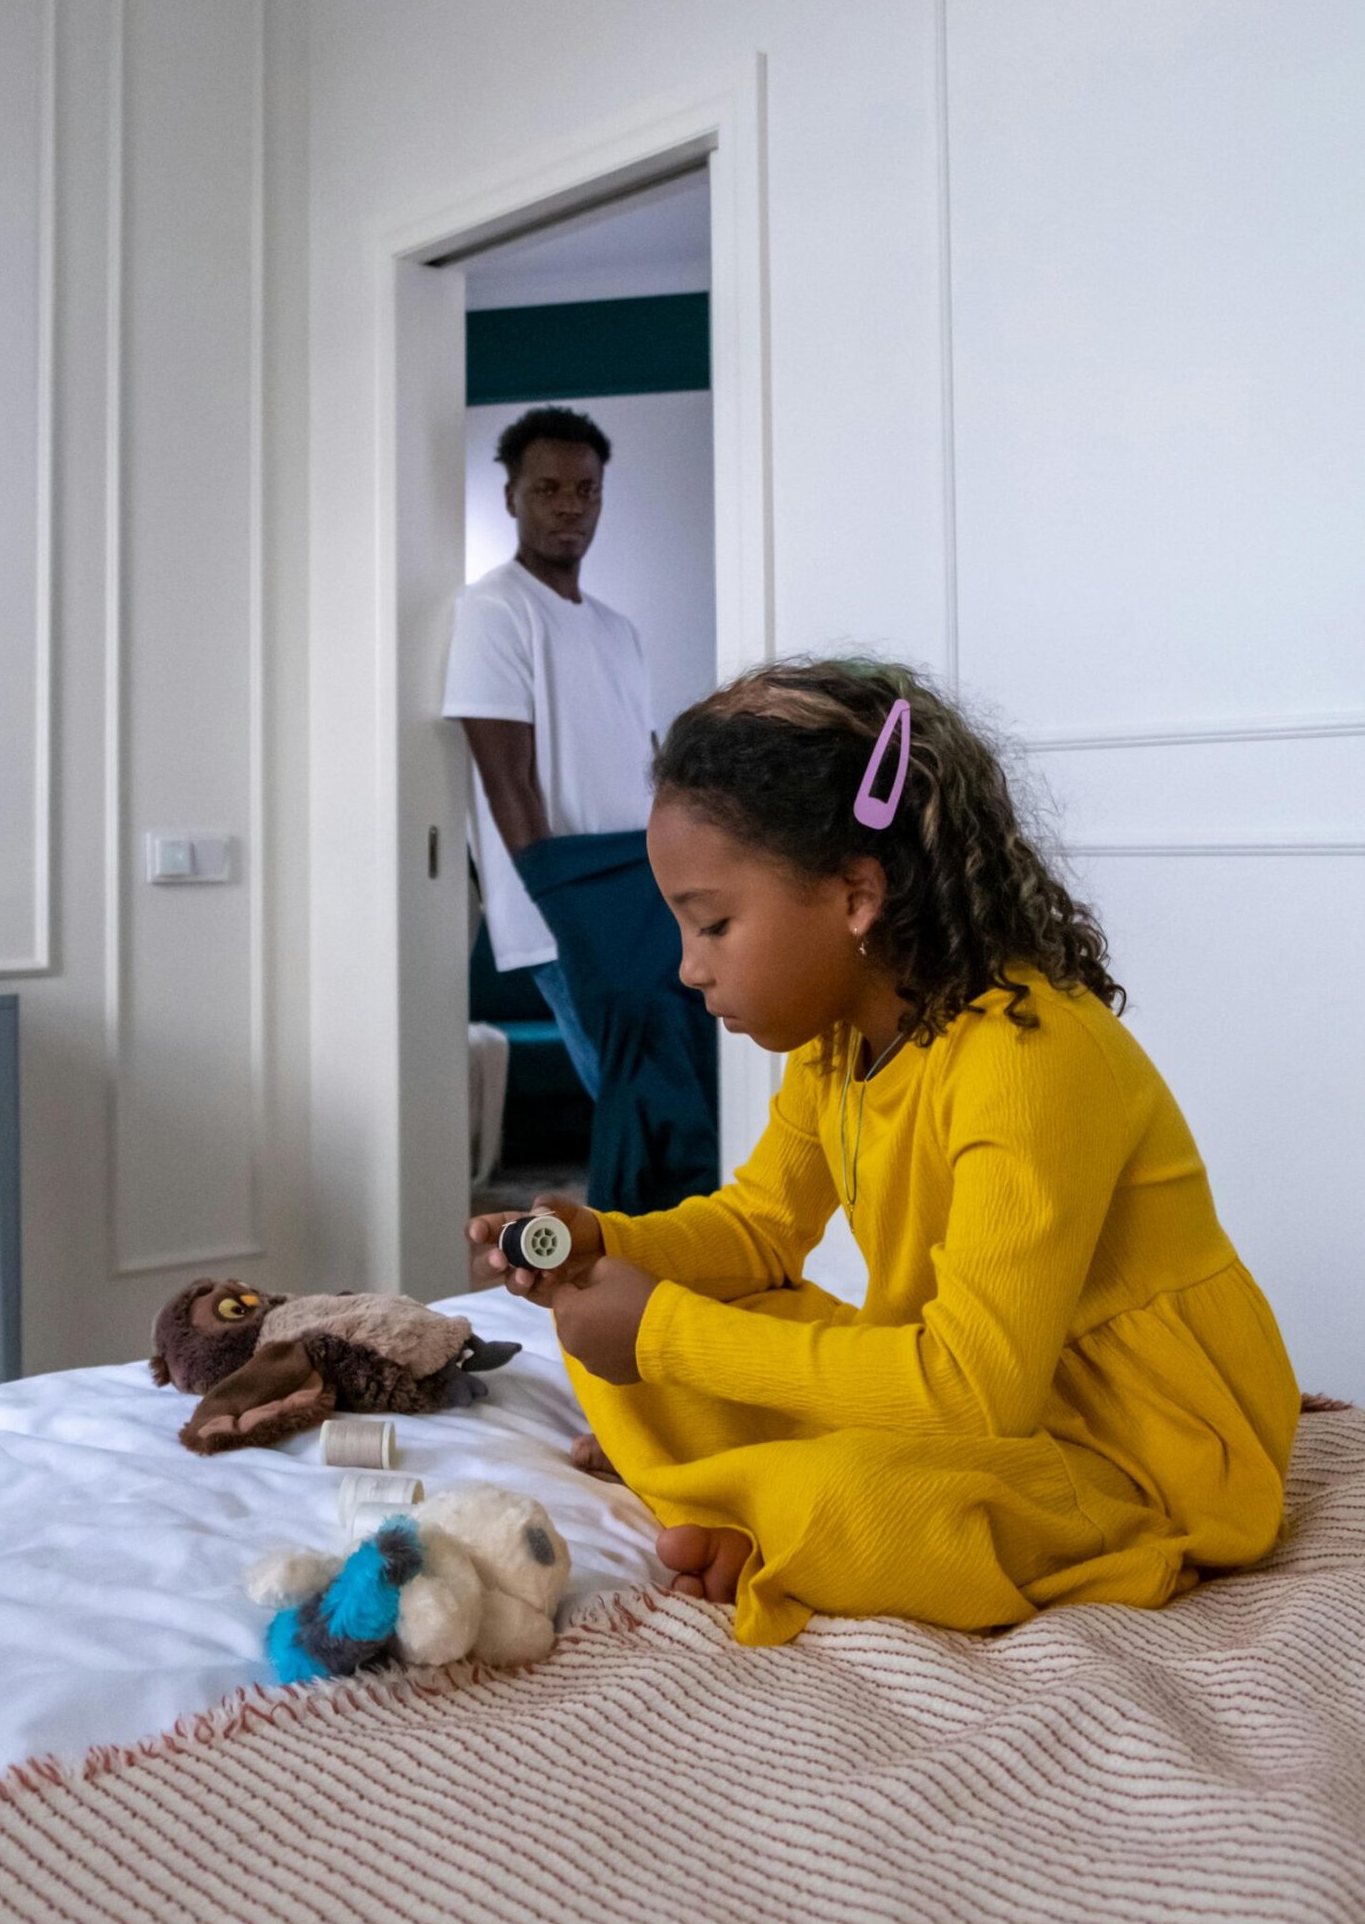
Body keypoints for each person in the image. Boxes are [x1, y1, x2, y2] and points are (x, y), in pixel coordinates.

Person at [469, 657, 1299, 1648]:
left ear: (858, 894)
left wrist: (665, 1333)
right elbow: (759, 1231)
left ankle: (767, 1512)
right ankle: (753, 1504)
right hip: (979, 1408)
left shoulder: (1029, 1057)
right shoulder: (837, 1043)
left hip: (1136, 1449)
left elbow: (973, 1393)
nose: (689, 969)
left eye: (714, 925)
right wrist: (605, 1242)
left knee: (840, 1492)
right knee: (620, 1347)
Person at [445, 404, 656, 1099]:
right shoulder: (494, 611)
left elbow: (649, 769)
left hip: (641, 889)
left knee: (665, 1094)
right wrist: (564, 911)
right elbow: (506, 780)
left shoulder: (619, 631)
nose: (571, 506)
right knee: (626, 1094)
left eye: (586, 490)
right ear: (512, 496)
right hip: (564, 903)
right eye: (548, 489)